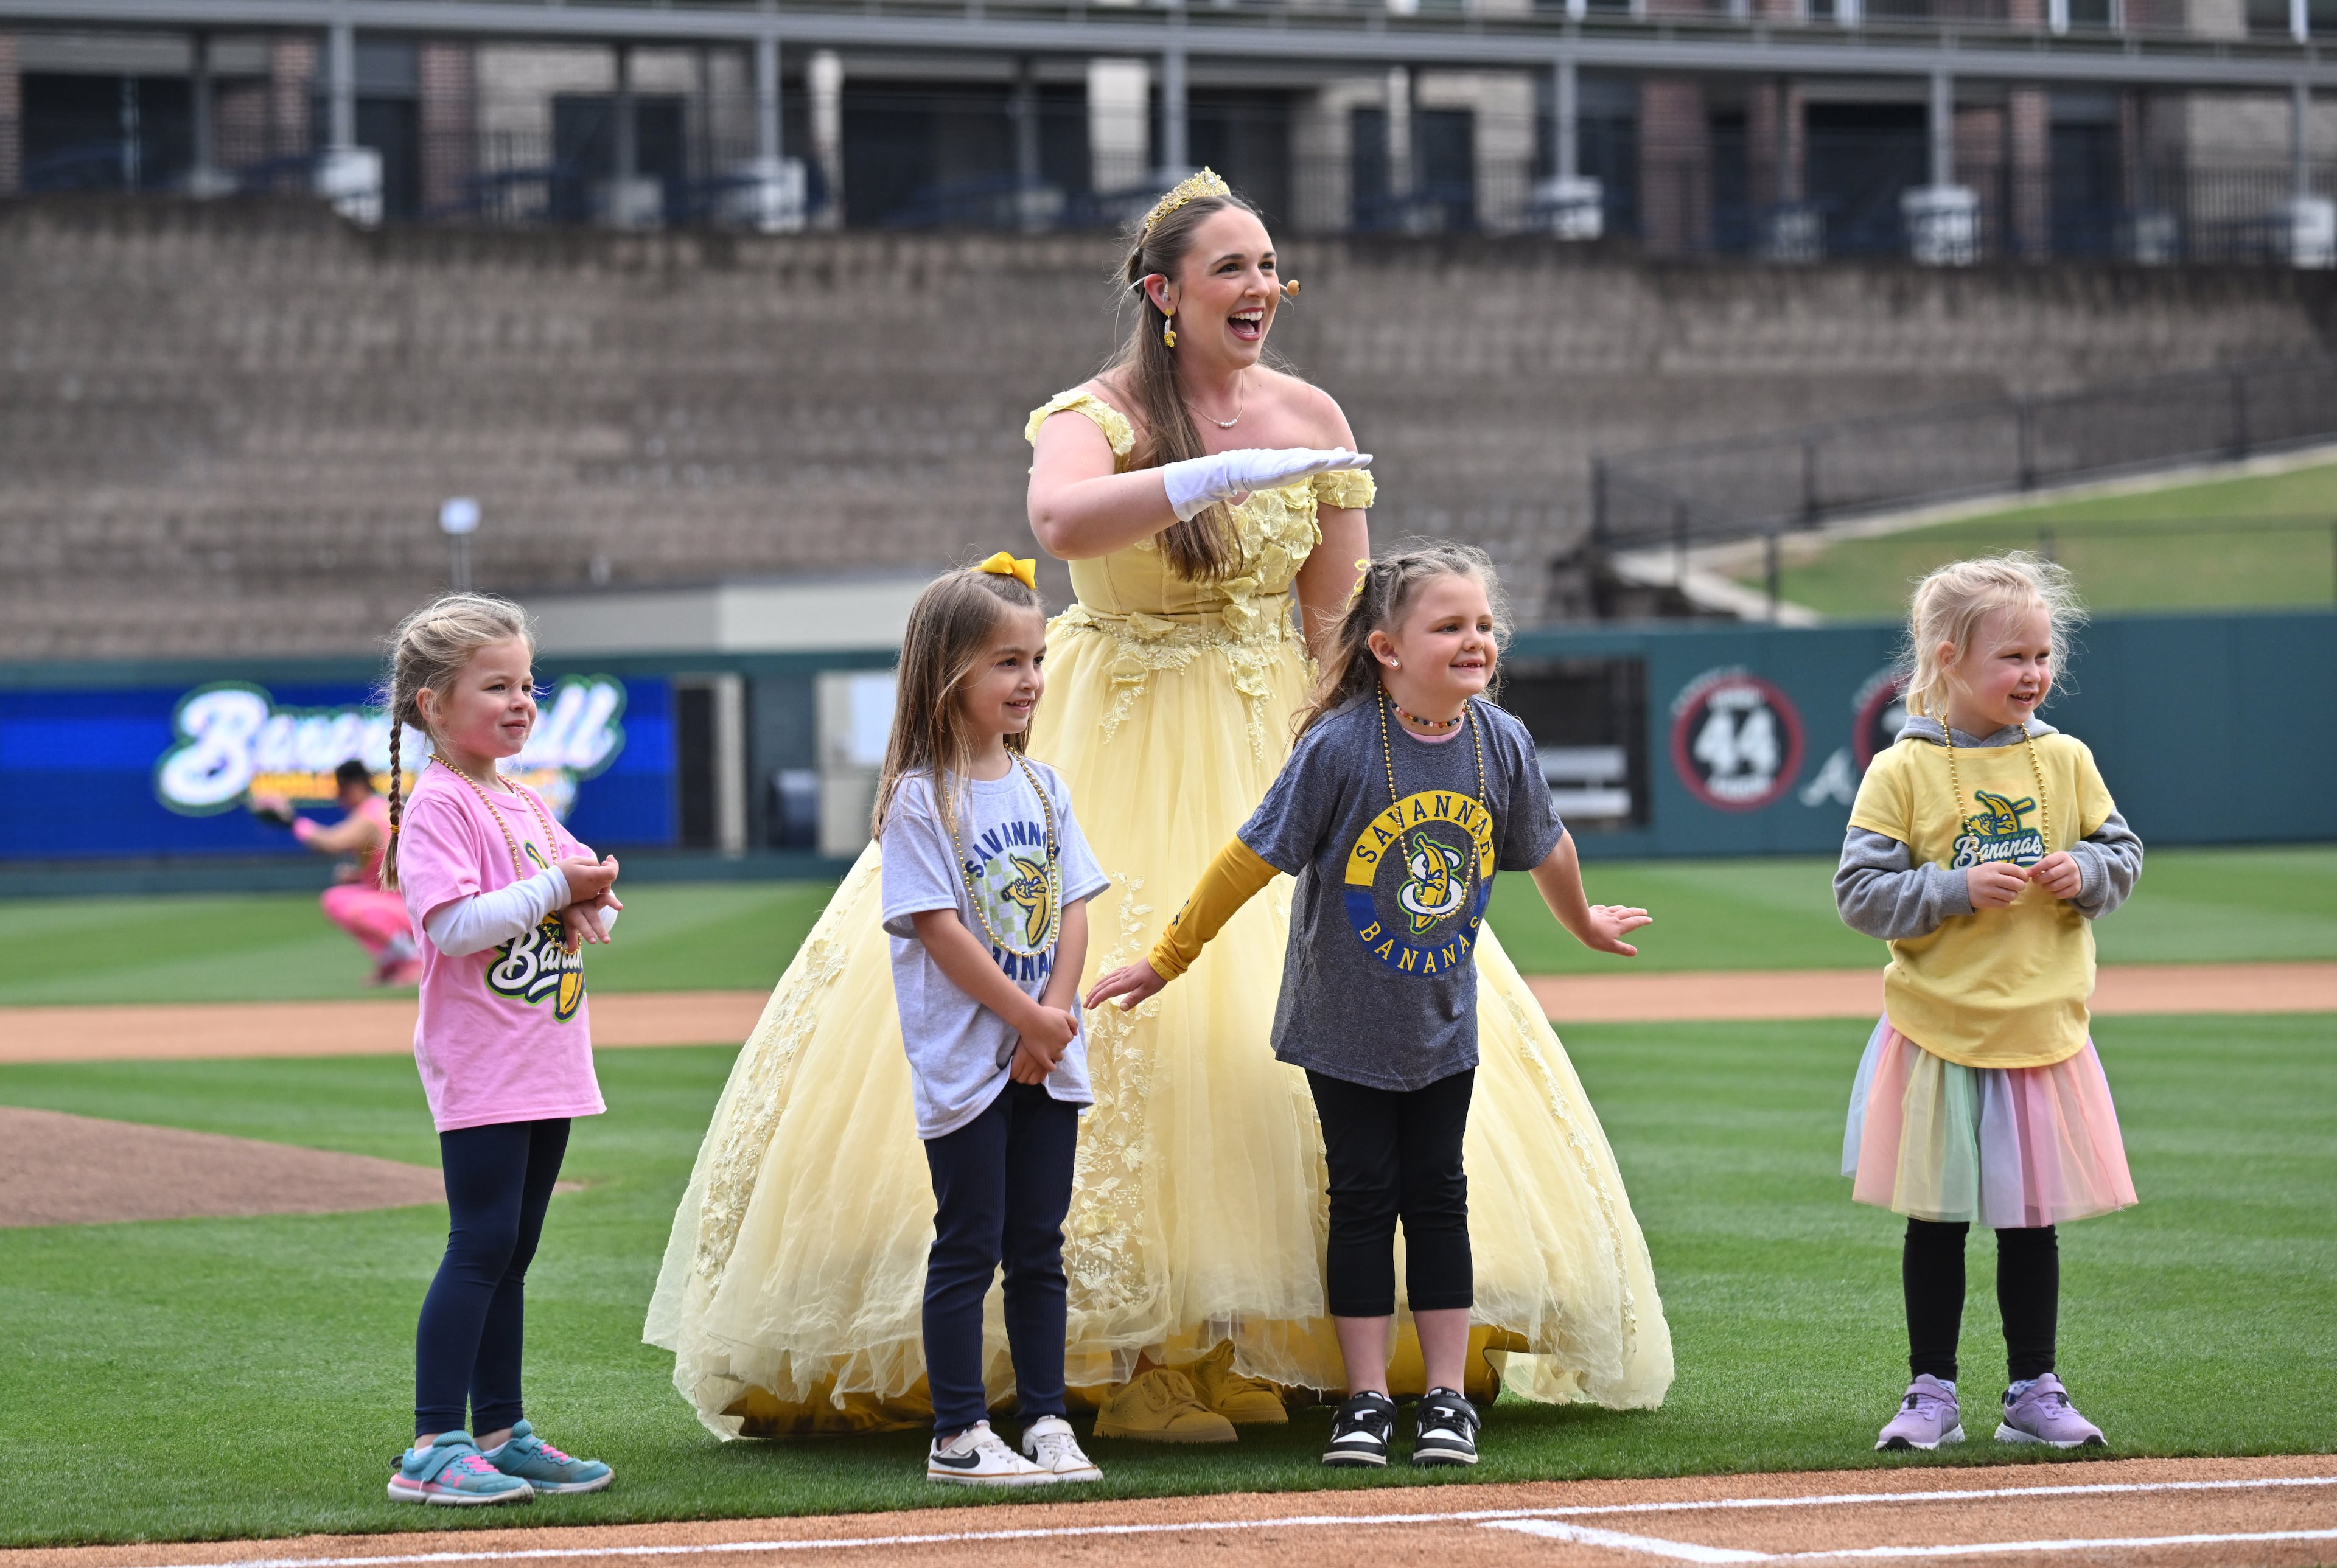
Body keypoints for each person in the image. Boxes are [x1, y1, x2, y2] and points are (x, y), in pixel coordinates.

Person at [645, 169, 1673, 1442]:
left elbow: (1330, 614)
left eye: (1269, 267)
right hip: (1118, 712)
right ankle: (1126, 1343)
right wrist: (1218, 472)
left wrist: (1344, 743)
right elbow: (1059, 516)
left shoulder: (1313, 411)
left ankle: (1337, 1341)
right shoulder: (1097, 413)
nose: (1261, 288)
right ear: (1165, 292)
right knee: (1118, 993)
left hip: (1272, 723)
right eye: (1232, 267)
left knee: (1315, 999)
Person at [1088, 545, 1654, 1468]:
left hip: (1443, 1024)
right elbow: (1250, 858)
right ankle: (1364, 1401)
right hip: (1340, 1026)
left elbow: (1543, 840)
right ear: (1388, 648)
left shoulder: (1498, 740)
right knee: (1359, 1200)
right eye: (1450, 627)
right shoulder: (1342, 746)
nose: (1475, 642)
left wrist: (1584, 920)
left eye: (1482, 626)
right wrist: (1168, 957)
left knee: (1438, 1200)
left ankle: (1443, 1398)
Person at [1836, 554, 2142, 1455]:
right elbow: (1859, 893)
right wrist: (1955, 888)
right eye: (2013, 656)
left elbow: (2121, 857)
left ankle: (2034, 1388)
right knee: (1936, 1218)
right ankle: (1931, 1390)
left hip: (2041, 1028)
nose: (2034, 673)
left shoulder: (2067, 759)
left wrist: (2084, 870)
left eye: (2043, 655)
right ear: (1948, 659)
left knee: (2029, 1218)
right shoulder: (1902, 770)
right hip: (1938, 1028)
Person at [379, 592, 623, 1505]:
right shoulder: (443, 803)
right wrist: (563, 882)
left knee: (513, 1250)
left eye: (527, 684)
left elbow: (578, 872)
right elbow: (454, 926)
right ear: (433, 705)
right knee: (479, 1244)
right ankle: (433, 1443)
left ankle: (501, 1430)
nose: (521, 701)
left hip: (542, 1056)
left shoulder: (518, 795)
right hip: (485, 1060)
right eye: (496, 686)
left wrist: (592, 894)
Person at [878, 556, 1113, 1485]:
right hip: (971, 1062)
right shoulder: (918, 797)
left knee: (1039, 1247)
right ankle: (958, 1432)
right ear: (949, 674)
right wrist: (1024, 1017)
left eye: (1036, 659)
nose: (1029, 682)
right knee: (970, 1239)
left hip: (1046, 1054)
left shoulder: (1045, 787)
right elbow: (939, 930)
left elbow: (1076, 905)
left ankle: (1048, 1418)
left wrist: (1051, 1018)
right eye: (1005, 663)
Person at [252, 758, 419, 986]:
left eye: (341, 790)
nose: (339, 798)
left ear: (355, 787)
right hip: (405, 901)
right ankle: (393, 962)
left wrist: (290, 821)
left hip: (409, 908)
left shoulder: (370, 813)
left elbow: (331, 843)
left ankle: (412, 959)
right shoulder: (381, 808)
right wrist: (358, 876)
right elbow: (392, 868)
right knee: (339, 898)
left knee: (344, 904)